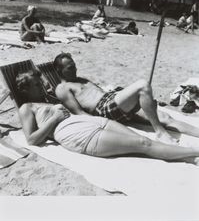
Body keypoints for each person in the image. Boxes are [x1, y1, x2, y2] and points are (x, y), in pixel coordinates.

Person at [16, 70, 199, 164]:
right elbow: (32, 140)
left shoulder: (48, 100)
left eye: (40, 83)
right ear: (24, 90)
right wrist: (54, 118)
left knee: (142, 139)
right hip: (76, 134)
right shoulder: (27, 107)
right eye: (36, 85)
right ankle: (194, 153)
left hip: (92, 121)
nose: (41, 87)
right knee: (144, 145)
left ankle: (188, 156)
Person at [53, 52, 199, 145]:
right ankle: (160, 132)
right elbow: (80, 113)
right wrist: (105, 125)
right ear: (59, 71)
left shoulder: (80, 79)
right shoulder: (62, 88)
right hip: (104, 110)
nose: (75, 69)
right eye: (70, 68)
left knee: (165, 117)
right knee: (142, 85)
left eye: (74, 66)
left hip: (113, 101)